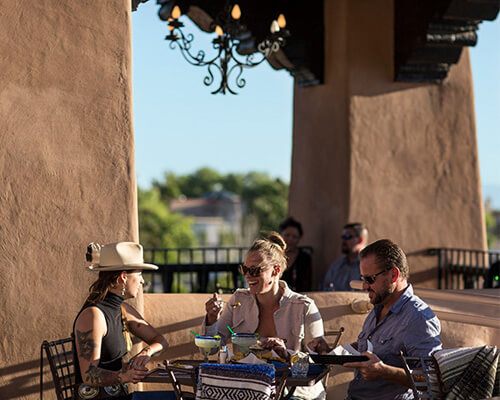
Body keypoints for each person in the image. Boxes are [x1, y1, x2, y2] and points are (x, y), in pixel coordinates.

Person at [202, 232, 329, 400]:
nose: (247, 276)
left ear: (275, 271)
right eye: (245, 269)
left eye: (254, 270)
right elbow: (210, 349)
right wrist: (211, 319)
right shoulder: (238, 300)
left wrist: (286, 354)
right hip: (247, 388)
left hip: (292, 392)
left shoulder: (303, 307)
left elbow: (318, 364)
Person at [312, 239, 442, 400]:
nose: (364, 286)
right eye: (363, 279)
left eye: (370, 279)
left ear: (393, 275)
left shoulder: (418, 318)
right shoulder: (380, 305)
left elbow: (432, 380)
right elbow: (368, 349)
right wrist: (330, 353)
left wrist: (386, 372)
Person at [73, 242, 172, 400]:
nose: (142, 281)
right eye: (139, 275)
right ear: (123, 277)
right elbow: (89, 375)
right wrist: (125, 376)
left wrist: (146, 353)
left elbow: (160, 341)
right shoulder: (93, 315)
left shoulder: (123, 310)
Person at [322, 222, 368, 291]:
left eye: (347, 237)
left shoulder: (369, 265)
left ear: (360, 240)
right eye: (342, 237)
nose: (343, 241)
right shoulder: (336, 265)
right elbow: (325, 288)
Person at [279, 217, 312, 292]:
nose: (290, 239)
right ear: (280, 235)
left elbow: (307, 285)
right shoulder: (274, 256)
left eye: (294, 237)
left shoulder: (304, 258)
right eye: (287, 235)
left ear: (299, 239)